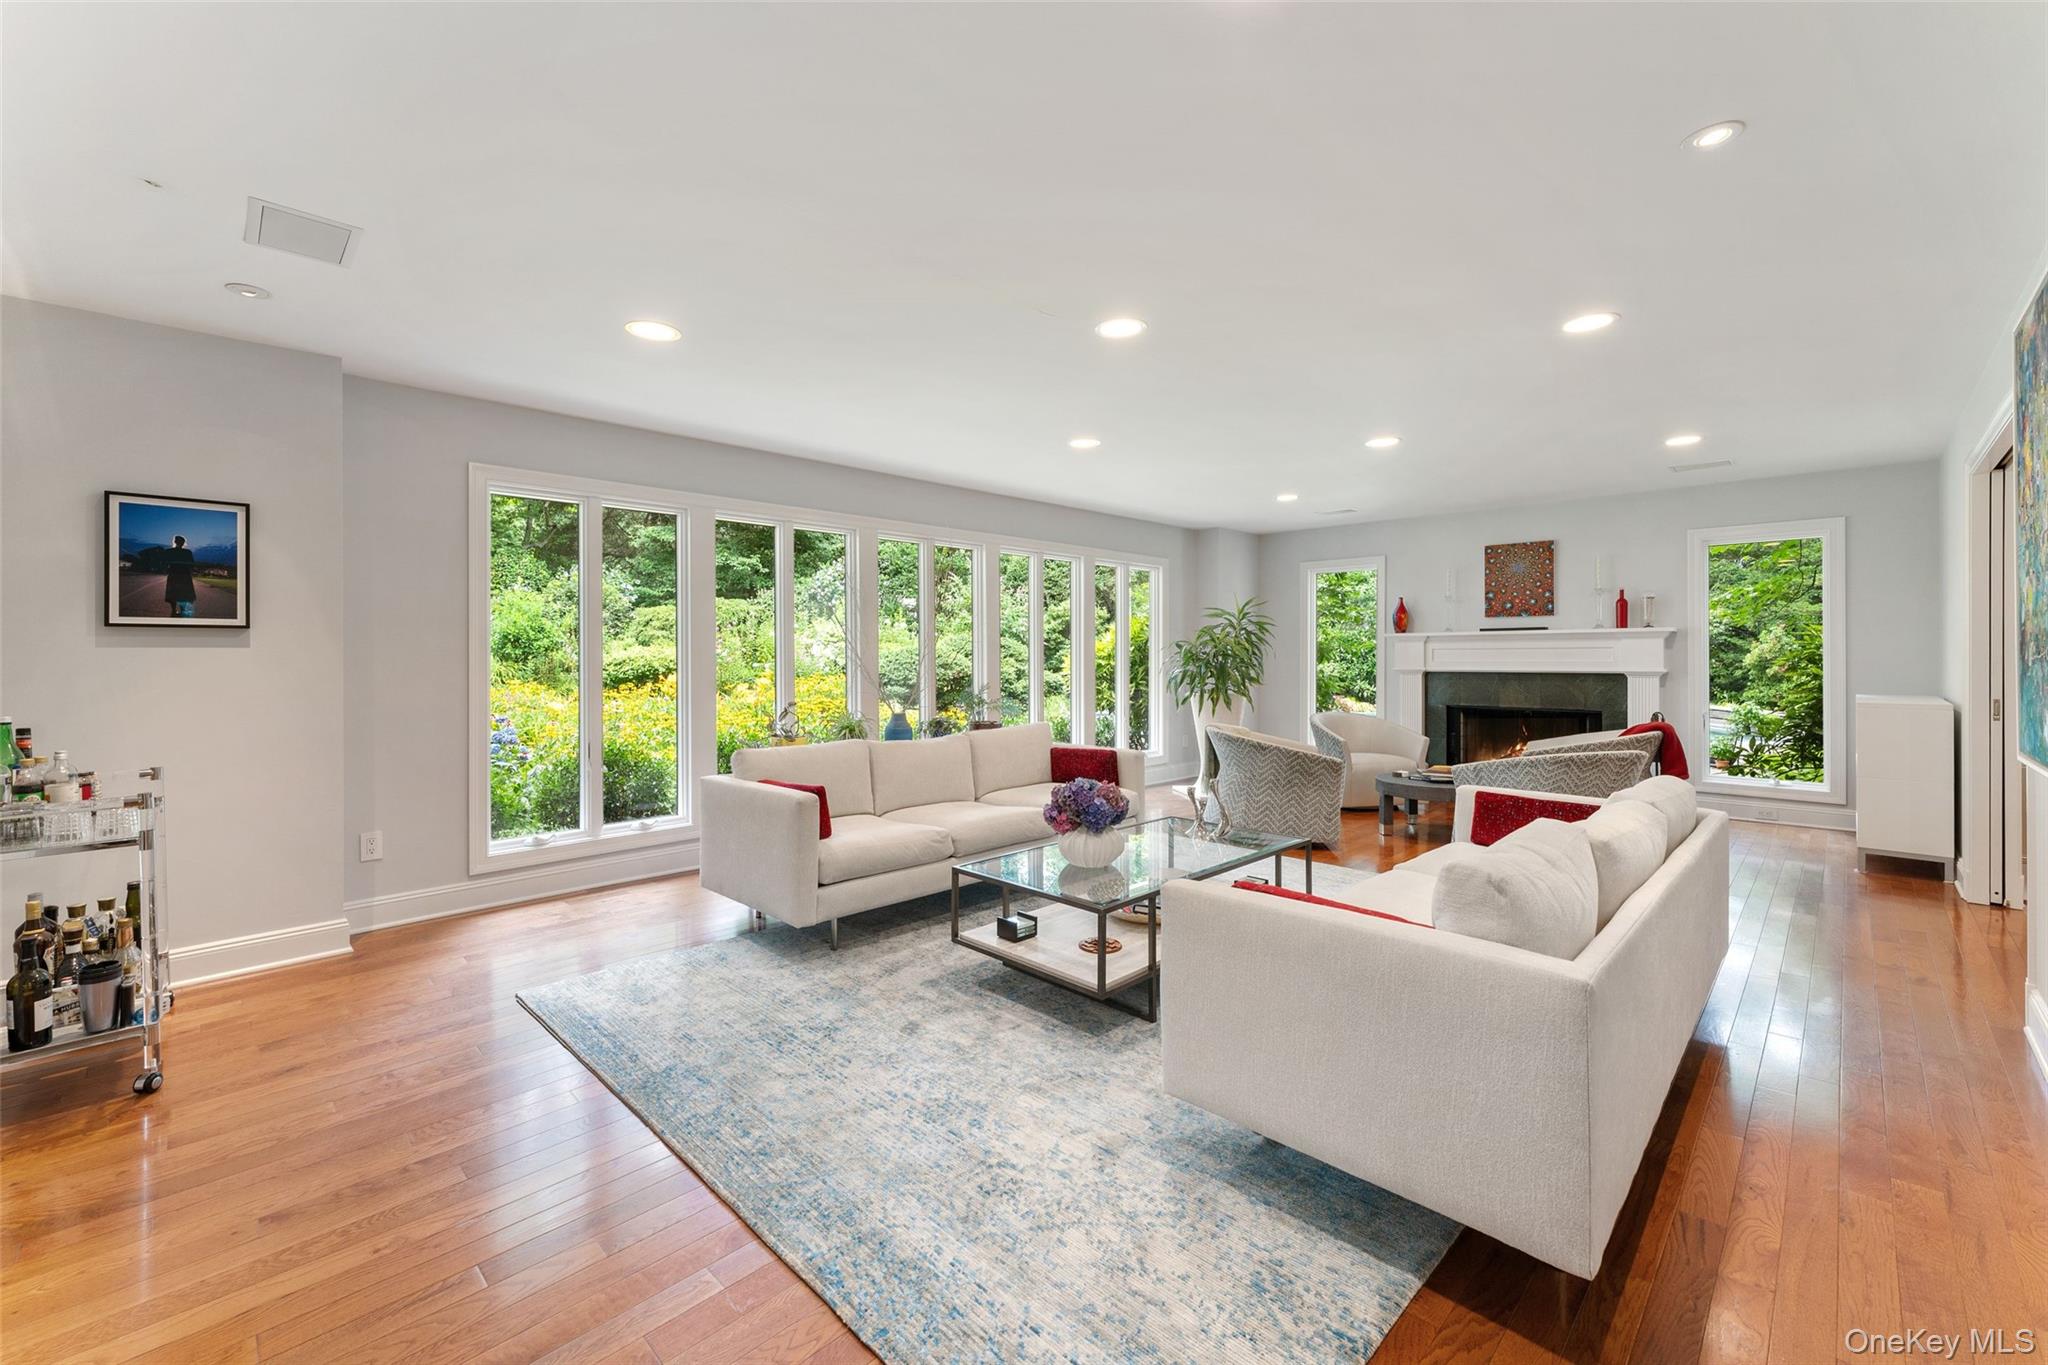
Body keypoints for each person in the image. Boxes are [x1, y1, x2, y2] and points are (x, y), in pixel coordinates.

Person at [162, 534, 197, 618]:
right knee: (181, 593)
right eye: (180, 541)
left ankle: (175, 610)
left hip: (178, 575)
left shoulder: (171, 551)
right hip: (182, 575)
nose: (180, 543)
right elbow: (192, 564)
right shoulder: (185, 552)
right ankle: (176, 610)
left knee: (176, 593)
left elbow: (191, 564)